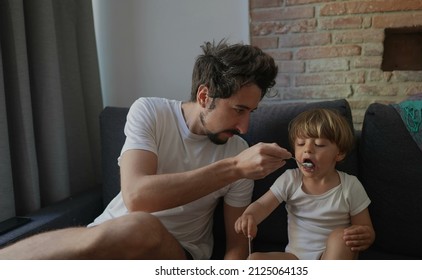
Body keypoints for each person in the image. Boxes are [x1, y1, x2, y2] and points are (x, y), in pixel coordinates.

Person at [0, 40, 292, 260]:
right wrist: (235, 168)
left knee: (141, 226)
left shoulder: (239, 150)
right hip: (105, 237)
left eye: (251, 112)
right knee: (130, 227)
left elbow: (237, 245)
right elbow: (137, 196)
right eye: (239, 110)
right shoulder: (151, 112)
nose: (244, 126)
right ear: (205, 96)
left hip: (177, 254)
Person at [234, 108, 375, 260]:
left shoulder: (350, 186)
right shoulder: (290, 179)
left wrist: (365, 235)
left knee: (341, 237)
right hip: (295, 259)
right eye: (301, 144)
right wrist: (250, 216)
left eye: (319, 144)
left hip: (330, 257)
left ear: (339, 153)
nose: (307, 149)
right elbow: (262, 205)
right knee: (254, 260)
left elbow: (365, 228)